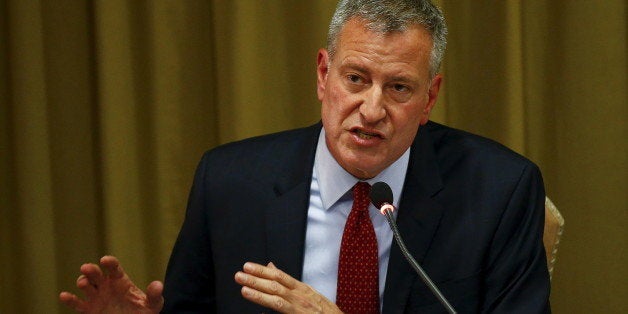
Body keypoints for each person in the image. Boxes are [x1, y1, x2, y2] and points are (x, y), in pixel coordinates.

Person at [60, 0, 551, 313]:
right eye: (355, 79)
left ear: (430, 97)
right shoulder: (230, 182)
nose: (372, 109)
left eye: (399, 87)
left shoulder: (499, 191)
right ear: (323, 74)